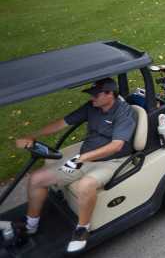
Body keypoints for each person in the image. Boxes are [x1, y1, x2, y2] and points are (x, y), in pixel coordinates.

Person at [14, 78, 136, 253]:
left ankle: (82, 229)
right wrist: (33, 135)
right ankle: (30, 225)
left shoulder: (124, 113)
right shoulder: (92, 107)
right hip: (84, 158)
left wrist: (83, 158)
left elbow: (116, 146)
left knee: (86, 185)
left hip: (112, 161)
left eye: (96, 95)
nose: (92, 98)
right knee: (37, 178)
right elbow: (62, 123)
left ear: (110, 94)